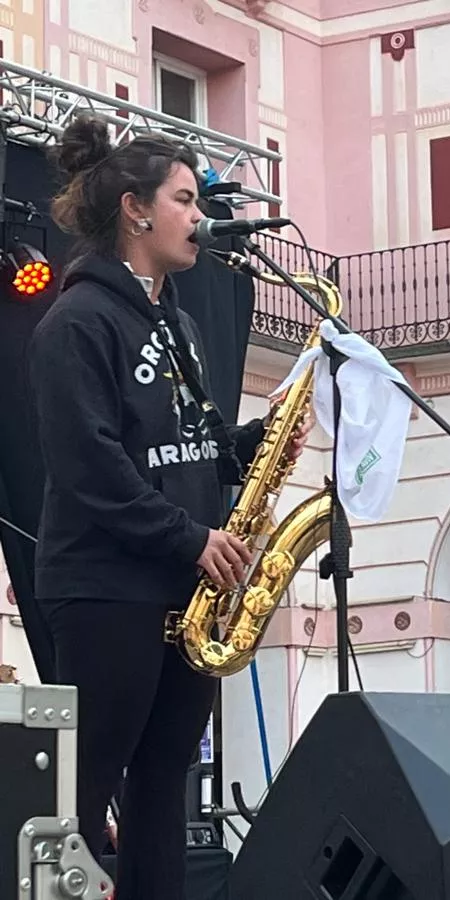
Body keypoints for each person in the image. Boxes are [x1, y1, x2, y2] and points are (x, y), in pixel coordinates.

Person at [28, 113, 311, 899]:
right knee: (87, 791)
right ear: (135, 209)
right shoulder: (75, 322)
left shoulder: (179, 321)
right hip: (106, 586)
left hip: (186, 587)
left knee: (166, 782)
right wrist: (192, 538)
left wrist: (260, 440)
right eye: (187, 199)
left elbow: (196, 441)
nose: (202, 217)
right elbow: (90, 468)